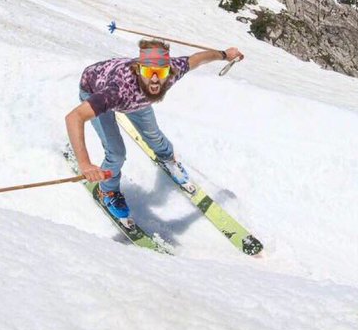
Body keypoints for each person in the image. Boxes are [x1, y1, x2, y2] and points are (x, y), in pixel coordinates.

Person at [66, 38, 245, 220]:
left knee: (154, 135)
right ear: (138, 70)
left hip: (135, 101)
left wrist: (224, 55)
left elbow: (197, 59)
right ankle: (108, 191)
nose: (154, 78)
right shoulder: (119, 90)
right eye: (148, 71)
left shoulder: (173, 70)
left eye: (160, 71)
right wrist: (85, 164)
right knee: (116, 153)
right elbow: (74, 117)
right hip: (95, 89)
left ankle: (167, 159)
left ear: (169, 70)